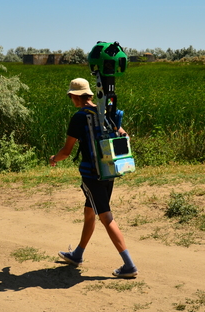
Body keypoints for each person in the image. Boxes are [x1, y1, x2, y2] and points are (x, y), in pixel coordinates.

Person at [49, 77, 138, 278]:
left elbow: (67, 150)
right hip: (109, 171)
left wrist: (54, 158)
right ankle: (77, 255)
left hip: (91, 175)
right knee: (89, 212)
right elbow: (124, 134)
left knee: (106, 217)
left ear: (75, 97)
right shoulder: (105, 111)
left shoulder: (79, 117)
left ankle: (129, 265)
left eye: (71, 96)